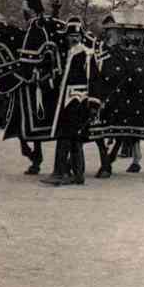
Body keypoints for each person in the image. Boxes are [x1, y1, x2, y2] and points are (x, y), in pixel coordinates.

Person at [40, 17, 97, 186]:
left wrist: (93, 104)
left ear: (81, 37)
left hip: (78, 103)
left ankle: (60, 172)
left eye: (77, 35)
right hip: (65, 103)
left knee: (65, 137)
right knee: (74, 139)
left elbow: (94, 80)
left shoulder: (87, 54)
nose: (74, 38)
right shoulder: (69, 54)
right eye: (71, 35)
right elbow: (63, 80)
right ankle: (78, 174)